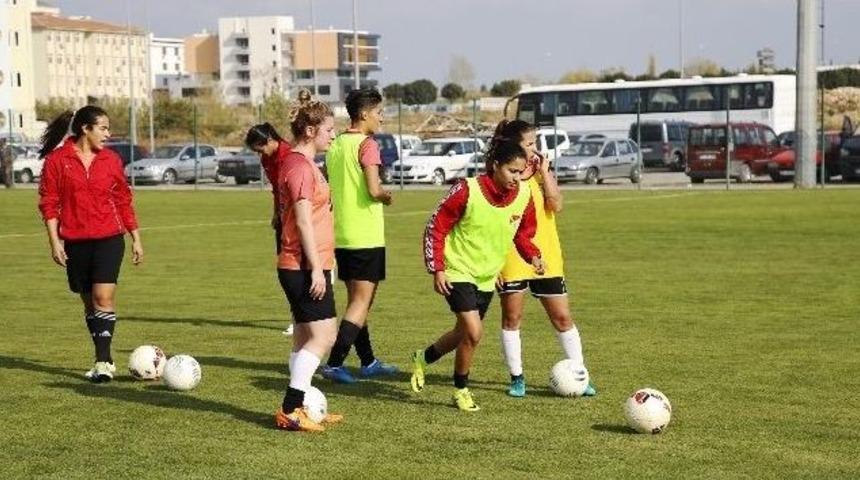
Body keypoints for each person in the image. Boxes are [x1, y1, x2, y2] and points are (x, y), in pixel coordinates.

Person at [410, 141, 545, 412]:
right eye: (511, 171)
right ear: (495, 166)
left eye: (520, 172)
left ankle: (422, 358)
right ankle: (461, 390)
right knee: (474, 331)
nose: (516, 178)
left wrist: (532, 254)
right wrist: (437, 268)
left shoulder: (524, 195)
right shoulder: (466, 189)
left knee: (463, 334)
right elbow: (435, 227)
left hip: (487, 277)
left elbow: (522, 233)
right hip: (457, 270)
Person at [37, 105, 143, 383]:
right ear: (86, 128)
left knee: (103, 299)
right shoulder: (57, 161)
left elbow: (123, 199)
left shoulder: (111, 160)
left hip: (110, 238)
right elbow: (49, 203)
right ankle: (102, 355)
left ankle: (103, 362)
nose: (108, 134)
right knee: (89, 305)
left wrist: (136, 238)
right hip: (74, 242)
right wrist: (55, 242)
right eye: (103, 128)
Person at [492, 120, 596, 398]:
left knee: (562, 317)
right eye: (529, 143)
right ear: (514, 146)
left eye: (535, 143)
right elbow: (492, 222)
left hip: (546, 255)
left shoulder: (541, 172)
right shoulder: (502, 174)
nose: (535, 149)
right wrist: (494, 265)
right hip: (511, 257)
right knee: (512, 318)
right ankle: (517, 378)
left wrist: (546, 173)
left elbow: (556, 205)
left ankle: (580, 375)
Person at [271, 90, 343, 432]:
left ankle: (304, 406)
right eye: (329, 129)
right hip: (301, 265)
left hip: (311, 263)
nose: (333, 135)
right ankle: (289, 408)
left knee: (303, 337)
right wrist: (317, 268)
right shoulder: (299, 166)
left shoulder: (303, 163)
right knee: (324, 335)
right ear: (311, 130)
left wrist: (327, 263)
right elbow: (302, 221)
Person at [321, 87, 397, 383]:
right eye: (379, 112)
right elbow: (374, 189)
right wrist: (386, 196)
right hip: (365, 235)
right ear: (364, 114)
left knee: (358, 300)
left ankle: (368, 361)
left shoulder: (336, 144)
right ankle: (335, 363)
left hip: (341, 234)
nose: (382, 118)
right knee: (361, 301)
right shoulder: (367, 145)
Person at [245, 123, 294, 336]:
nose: (259, 155)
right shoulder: (267, 158)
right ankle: (298, 315)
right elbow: (277, 190)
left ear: (270, 140)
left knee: (297, 270)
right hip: (283, 218)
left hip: (296, 218)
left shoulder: (290, 155)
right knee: (284, 269)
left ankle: (303, 317)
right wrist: (276, 213)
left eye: (259, 149)